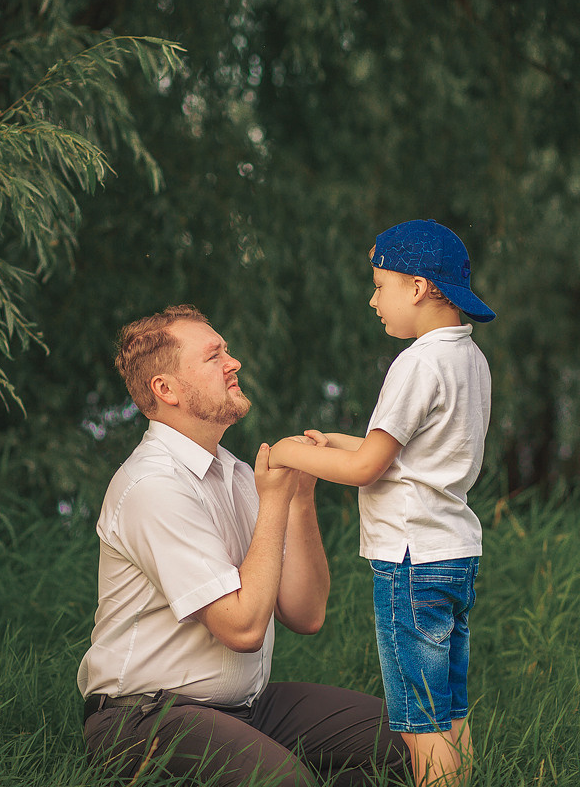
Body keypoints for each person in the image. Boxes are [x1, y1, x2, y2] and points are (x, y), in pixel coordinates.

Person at [77, 305, 408, 787]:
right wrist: (273, 500)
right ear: (166, 389)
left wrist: (299, 497)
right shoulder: (152, 485)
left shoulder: (234, 473)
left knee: (413, 742)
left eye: (227, 351)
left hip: (247, 708)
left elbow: (306, 614)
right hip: (144, 718)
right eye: (214, 356)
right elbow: (243, 627)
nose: (234, 363)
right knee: (286, 784)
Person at [268, 219, 495, 786]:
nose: (373, 301)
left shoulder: (416, 363)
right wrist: (333, 442)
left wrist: (292, 456)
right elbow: (406, 456)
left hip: (410, 561)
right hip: (454, 552)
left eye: (378, 285)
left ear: (417, 287)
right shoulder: (470, 359)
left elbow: (367, 468)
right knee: (449, 708)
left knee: (419, 722)